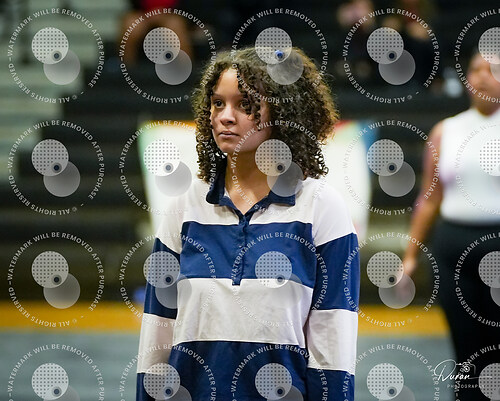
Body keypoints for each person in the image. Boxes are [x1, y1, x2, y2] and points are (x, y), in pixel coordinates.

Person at [136, 47, 360, 400]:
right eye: (217, 103)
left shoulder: (320, 207)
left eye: (245, 105)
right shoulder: (184, 206)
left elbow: (334, 336)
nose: (226, 117)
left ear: (281, 115)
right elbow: (158, 329)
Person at [403, 52, 500, 400]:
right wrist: (410, 255)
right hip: (454, 248)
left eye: (493, 70)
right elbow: (429, 198)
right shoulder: (446, 131)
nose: (483, 76)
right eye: (476, 69)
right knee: (465, 345)